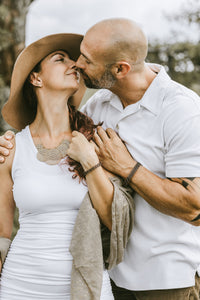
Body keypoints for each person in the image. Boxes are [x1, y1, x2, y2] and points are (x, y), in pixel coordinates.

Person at [1, 18, 200, 299]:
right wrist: (11, 145)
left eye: (86, 60)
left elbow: (195, 208)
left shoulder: (181, 108)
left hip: (163, 278)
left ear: (120, 69)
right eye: (71, 56)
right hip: (110, 273)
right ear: (36, 79)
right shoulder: (98, 108)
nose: (78, 64)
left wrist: (123, 166)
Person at [0, 32, 125, 300]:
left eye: (74, 60)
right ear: (36, 78)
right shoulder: (11, 148)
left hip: (86, 285)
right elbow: (2, 232)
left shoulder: (98, 141)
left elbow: (114, 221)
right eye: (60, 59)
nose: (74, 65)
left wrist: (90, 161)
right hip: (20, 285)